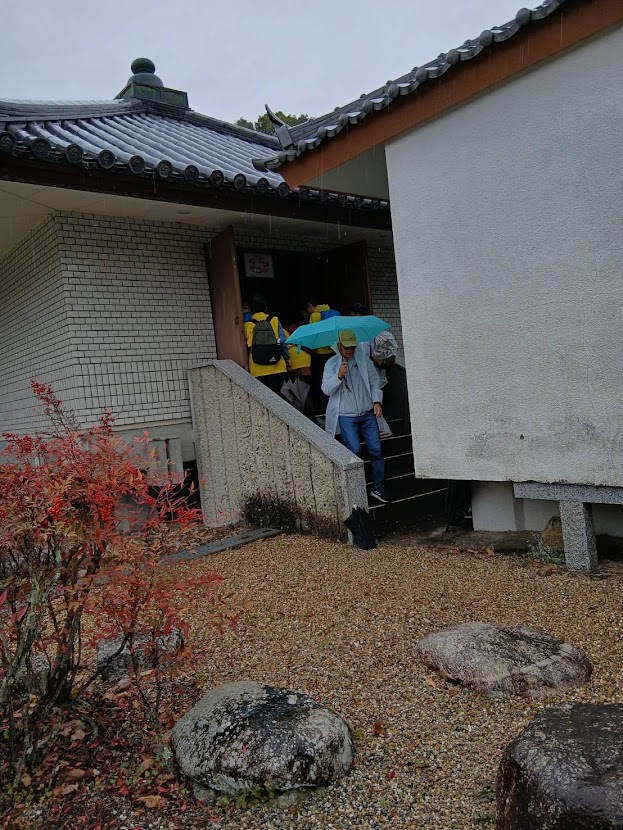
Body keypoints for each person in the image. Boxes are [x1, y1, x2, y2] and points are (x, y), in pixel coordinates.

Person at [322, 329, 390, 504]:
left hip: (367, 413)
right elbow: (326, 389)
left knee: (376, 450)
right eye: (347, 347)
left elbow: (375, 382)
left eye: (353, 347)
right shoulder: (332, 364)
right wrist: (338, 376)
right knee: (354, 451)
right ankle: (357, 489)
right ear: (339, 346)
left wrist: (377, 401)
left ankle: (378, 487)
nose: (350, 350)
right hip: (346, 415)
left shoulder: (364, 361)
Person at [346, 302, 395, 439]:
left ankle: (383, 429)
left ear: (356, 315)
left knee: (373, 401)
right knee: (374, 400)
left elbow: (364, 354)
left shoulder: (360, 331)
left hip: (368, 373)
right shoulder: (371, 328)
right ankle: (380, 428)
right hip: (377, 370)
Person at [244, 294, 290, 396]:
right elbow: (283, 342)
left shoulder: (247, 325)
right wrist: (287, 359)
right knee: (280, 399)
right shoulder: (274, 320)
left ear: (250, 309)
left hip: (257, 370)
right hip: (278, 367)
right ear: (266, 307)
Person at [304, 295, 340, 413]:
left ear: (310, 306)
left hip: (319, 353)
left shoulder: (314, 316)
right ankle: (336, 403)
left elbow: (312, 334)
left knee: (320, 380)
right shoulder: (334, 313)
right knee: (333, 376)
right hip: (333, 351)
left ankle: (325, 405)